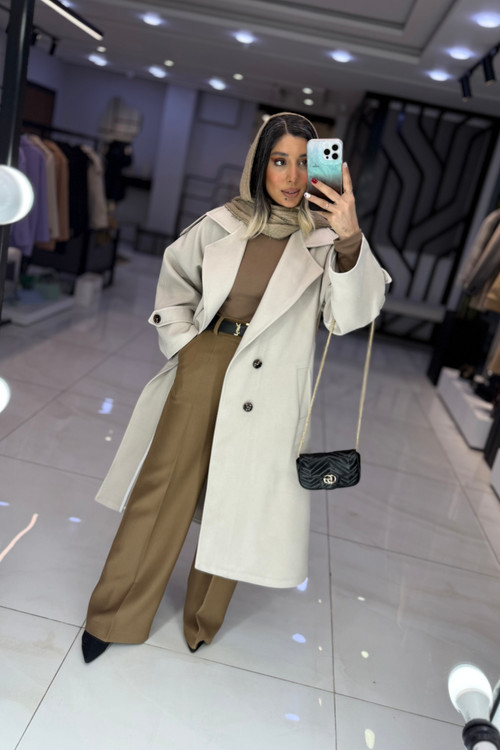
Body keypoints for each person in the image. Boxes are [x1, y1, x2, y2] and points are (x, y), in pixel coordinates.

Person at [81, 112, 390, 663]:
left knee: (239, 498)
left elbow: (349, 318)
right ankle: (115, 613)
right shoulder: (222, 223)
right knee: (162, 490)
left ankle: (202, 618)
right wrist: (186, 345)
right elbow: (175, 286)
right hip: (205, 364)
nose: (292, 176)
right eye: (279, 161)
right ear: (259, 164)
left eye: (304, 162)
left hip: (273, 384)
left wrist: (350, 240)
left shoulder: (326, 241)